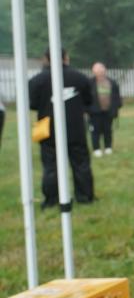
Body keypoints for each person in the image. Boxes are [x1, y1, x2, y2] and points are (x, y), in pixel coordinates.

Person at [28, 49, 95, 207]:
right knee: (80, 163)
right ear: (66, 58)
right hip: (76, 128)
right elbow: (88, 100)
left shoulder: (37, 80)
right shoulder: (80, 78)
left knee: (51, 166)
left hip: (48, 129)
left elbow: (32, 104)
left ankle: (52, 199)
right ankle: (85, 196)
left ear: (46, 59)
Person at [88, 62, 122, 157]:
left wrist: (117, 107)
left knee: (108, 130)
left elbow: (117, 97)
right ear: (94, 71)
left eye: (102, 70)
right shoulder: (90, 83)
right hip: (95, 112)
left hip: (108, 111)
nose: (100, 72)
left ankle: (108, 147)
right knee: (95, 131)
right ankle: (96, 149)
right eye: (98, 70)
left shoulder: (112, 82)